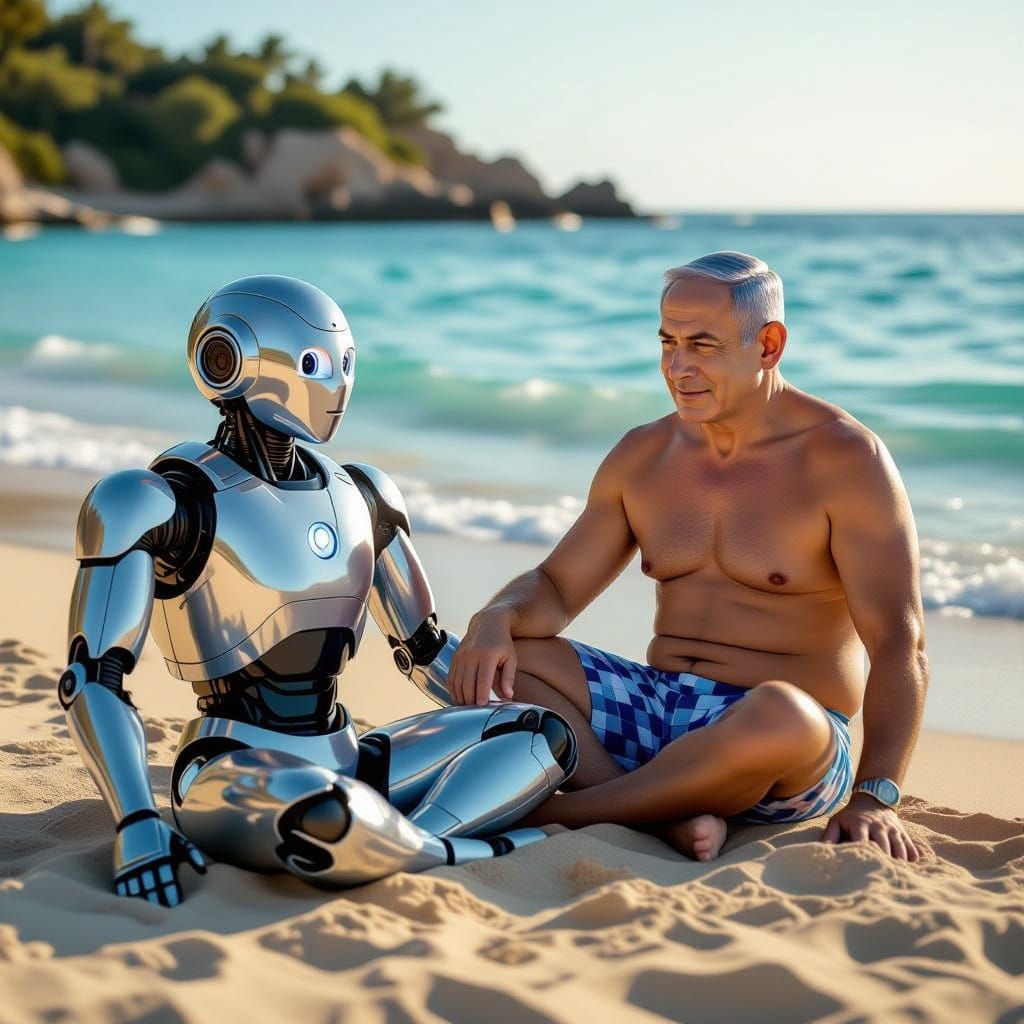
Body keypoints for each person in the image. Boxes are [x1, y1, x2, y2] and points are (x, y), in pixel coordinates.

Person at [58, 275, 577, 906]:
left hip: (350, 756)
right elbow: (93, 677)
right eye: (314, 365)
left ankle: (413, 841)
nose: (337, 385)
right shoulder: (160, 500)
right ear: (227, 359)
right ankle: (443, 846)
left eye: (345, 364)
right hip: (234, 767)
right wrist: (138, 823)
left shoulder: (363, 493)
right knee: (328, 815)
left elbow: (424, 650)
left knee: (542, 736)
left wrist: (499, 715)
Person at [448, 251, 927, 864]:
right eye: (667, 343)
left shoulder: (844, 459)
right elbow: (557, 587)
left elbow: (899, 641)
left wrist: (875, 796)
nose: (677, 368)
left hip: (783, 748)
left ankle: (568, 811)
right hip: (658, 706)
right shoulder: (644, 455)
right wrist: (496, 617)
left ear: (768, 345)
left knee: (781, 712)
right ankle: (664, 813)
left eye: (702, 345)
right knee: (506, 658)